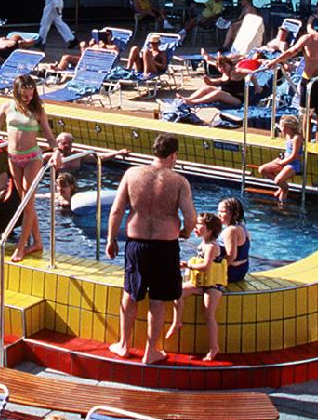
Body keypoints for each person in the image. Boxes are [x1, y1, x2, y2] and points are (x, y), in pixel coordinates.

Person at [107, 133, 196, 365]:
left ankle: (124, 345)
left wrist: (110, 239)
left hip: (136, 243)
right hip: (165, 246)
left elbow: (116, 210)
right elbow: (191, 218)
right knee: (158, 300)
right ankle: (151, 352)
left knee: (130, 293)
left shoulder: (132, 174)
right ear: (174, 155)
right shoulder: (179, 182)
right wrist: (185, 232)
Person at [0, 75, 53, 261]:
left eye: (31, 93)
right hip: (13, 158)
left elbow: (49, 136)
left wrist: (56, 151)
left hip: (33, 157)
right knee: (26, 202)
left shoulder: (38, 110)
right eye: (24, 94)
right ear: (17, 93)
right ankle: (38, 242)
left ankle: (21, 247)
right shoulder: (7, 107)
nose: (28, 97)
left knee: (26, 203)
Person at [264, 13, 318, 141]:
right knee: (307, 114)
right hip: (308, 80)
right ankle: (305, 143)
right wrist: (275, 61)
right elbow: (291, 51)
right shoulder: (309, 39)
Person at [171, 212, 227, 360]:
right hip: (201, 282)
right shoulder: (203, 243)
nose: (195, 227)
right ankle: (177, 322)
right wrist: (186, 264)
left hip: (213, 285)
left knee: (208, 314)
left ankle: (214, 348)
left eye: (198, 224)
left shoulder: (212, 246)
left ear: (210, 229)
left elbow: (206, 266)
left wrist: (188, 265)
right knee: (177, 293)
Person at [254, 115, 305, 199]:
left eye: (282, 127)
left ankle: (285, 189)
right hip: (285, 160)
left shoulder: (297, 138)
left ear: (288, 127)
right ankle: (282, 186)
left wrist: (282, 162)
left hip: (293, 164)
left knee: (278, 180)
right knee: (262, 170)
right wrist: (281, 160)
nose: (280, 129)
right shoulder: (287, 136)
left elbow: (294, 155)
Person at [218, 197, 251, 284]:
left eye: (222, 212)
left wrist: (215, 271)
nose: (218, 215)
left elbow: (231, 256)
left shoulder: (231, 230)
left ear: (235, 214)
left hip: (231, 272)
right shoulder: (242, 226)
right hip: (242, 269)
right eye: (218, 211)